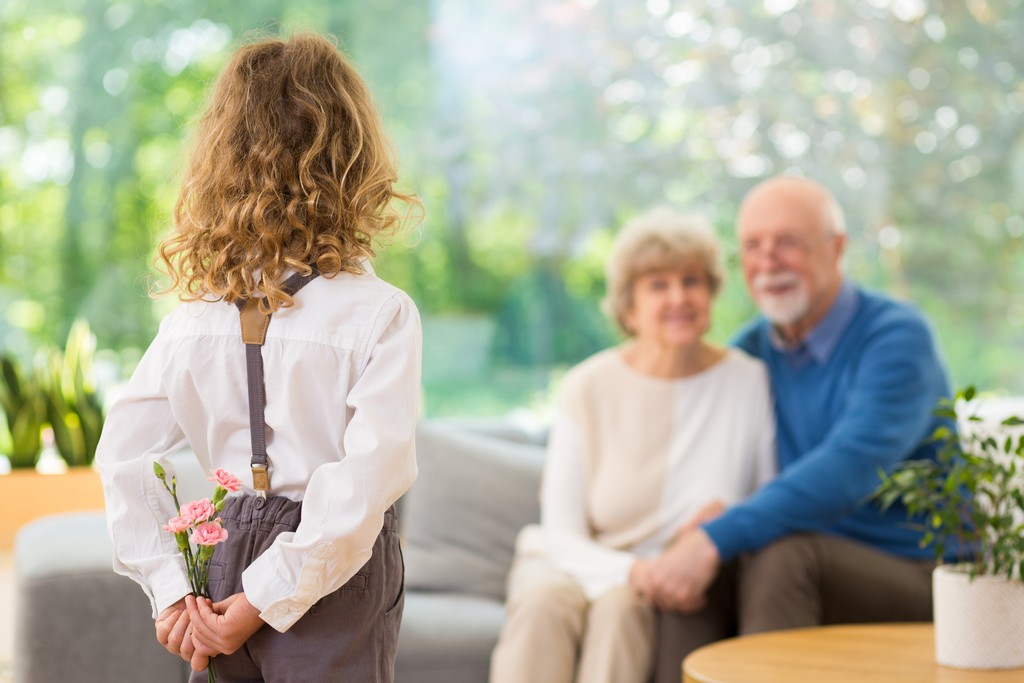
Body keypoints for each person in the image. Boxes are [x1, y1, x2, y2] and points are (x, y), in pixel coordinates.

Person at [95, 33, 421, 683]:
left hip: (217, 559)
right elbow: (364, 483)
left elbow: (121, 455)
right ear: (353, 161)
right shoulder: (379, 313)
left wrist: (170, 586)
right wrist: (266, 596)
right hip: (326, 567)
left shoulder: (190, 320)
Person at [650, 176, 953, 681]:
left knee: (780, 557)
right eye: (753, 246)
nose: (768, 261)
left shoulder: (897, 337)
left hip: (919, 571)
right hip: (806, 554)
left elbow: (851, 467)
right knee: (686, 576)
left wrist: (717, 536)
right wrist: (708, 522)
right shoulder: (749, 355)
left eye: (787, 242)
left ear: (836, 249)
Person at [489, 207, 775, 683]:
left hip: (666, 576)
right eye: (658, 285)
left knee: (622, 612)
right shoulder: (588, 385)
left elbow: (767, 495)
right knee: (543, 603)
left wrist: (724, 519)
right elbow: (561, 531)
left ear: (711, 292)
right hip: (573, 559)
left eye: (692, 281)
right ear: (629, 306)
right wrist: (638, 572)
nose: (679, 297)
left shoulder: (748, 381)